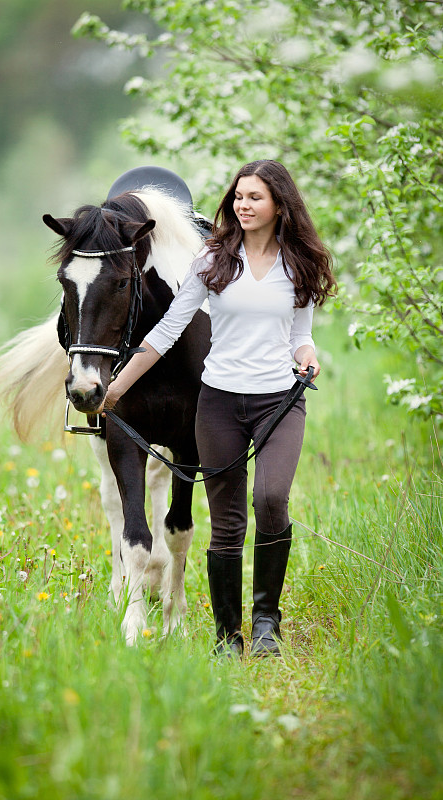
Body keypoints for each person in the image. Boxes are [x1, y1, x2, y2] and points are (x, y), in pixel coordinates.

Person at [105, 160, 336, 658]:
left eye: (255, 197)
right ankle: (228, 637)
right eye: (238, 197)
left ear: (279, 203)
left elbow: (301, 336)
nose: (243, 205)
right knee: (227, 521)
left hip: (278, 401)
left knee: (272, 499)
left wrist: (308, 356)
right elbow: (166, 331)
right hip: (219, 402)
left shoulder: (300, 262)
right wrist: (116, 388)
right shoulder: (212, 259)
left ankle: (267, 624)